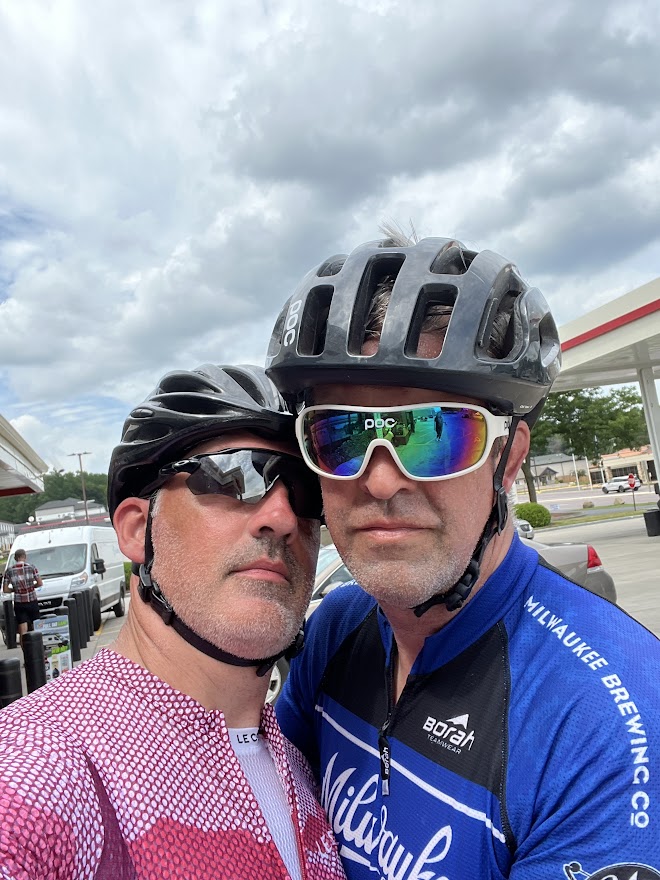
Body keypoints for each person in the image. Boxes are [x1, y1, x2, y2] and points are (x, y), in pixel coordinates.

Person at [266, 236, 660, 878]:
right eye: (341, 434)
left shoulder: (608, 724)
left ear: (510, 456)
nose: (381, 481)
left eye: (434, 432)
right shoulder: (336, 630)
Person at [0, 364, 346, 880]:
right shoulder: (39, 767)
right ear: (137, 530)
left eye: (306, 490)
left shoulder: (299, 759)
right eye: (235, 475)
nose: (282, 517)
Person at [2, 548, 43, 641]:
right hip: (32, 600)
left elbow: (5, 589)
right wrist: (32, 587)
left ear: (15, 558)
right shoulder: (31, 567)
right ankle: (38, 646)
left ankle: (25, 647)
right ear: (25, 557)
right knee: (36, 625)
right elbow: (40, 583)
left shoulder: (9, 570)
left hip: (19, 603)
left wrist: (15, 590)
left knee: (22, 628)